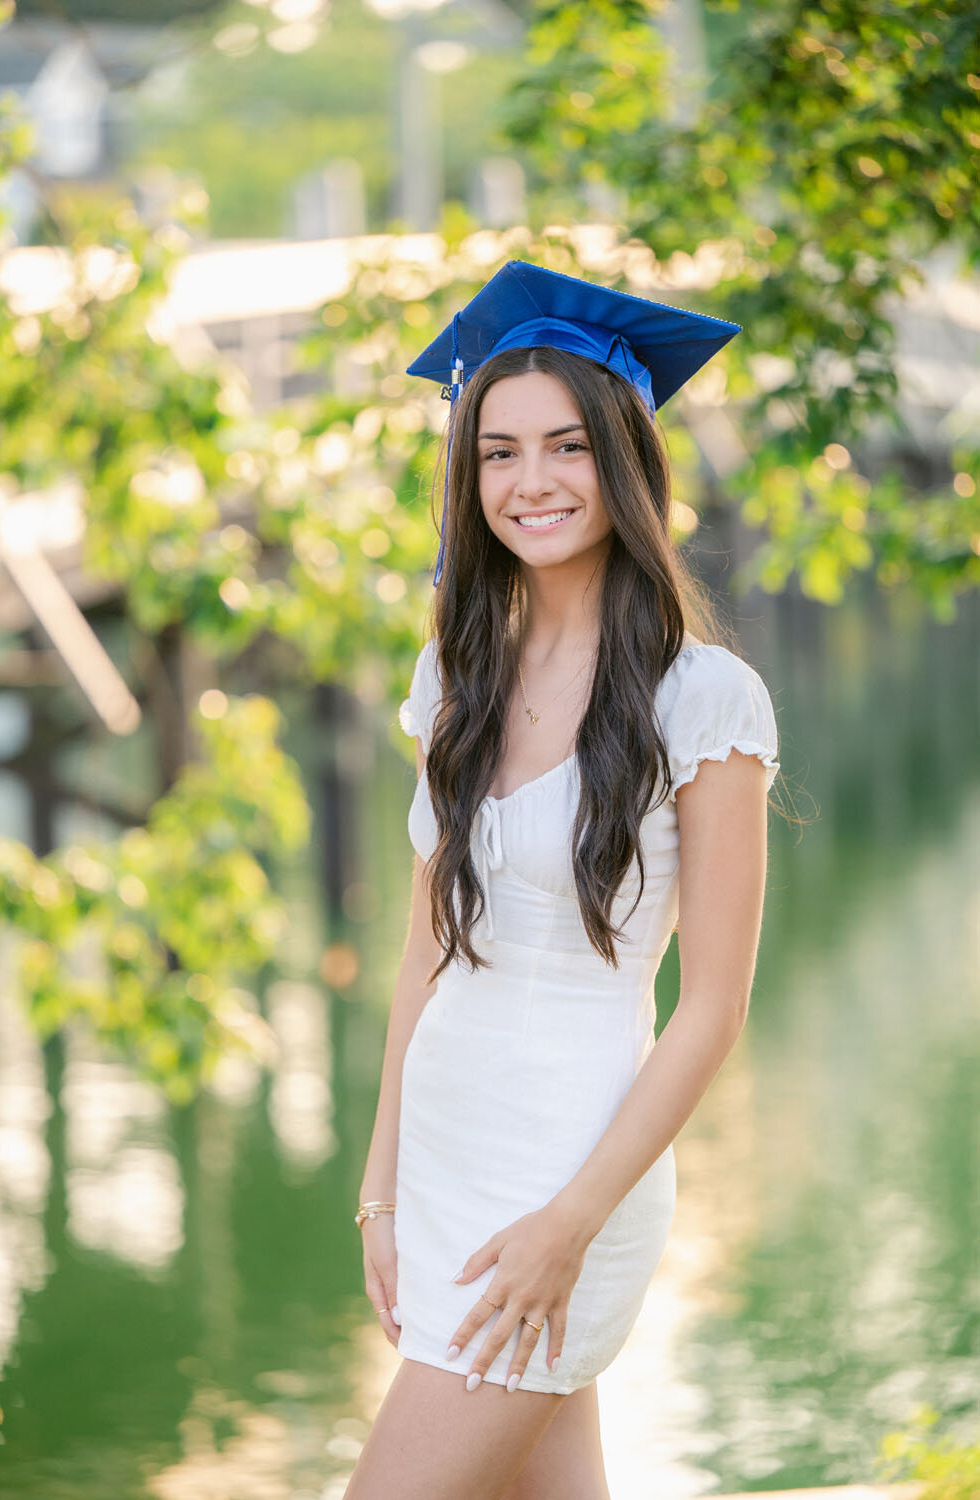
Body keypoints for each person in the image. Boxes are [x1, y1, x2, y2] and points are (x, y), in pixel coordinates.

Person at [345, 261, 781, 1500]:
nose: (526, 483)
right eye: (495, 453)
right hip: (444, 1155)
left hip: (564, 1169)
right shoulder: (455, 676)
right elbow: (427, 947)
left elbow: (711, 1011)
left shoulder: (704, 702)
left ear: (623, 463)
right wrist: (378, 1190)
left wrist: (570, 1224)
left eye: (563, 448)